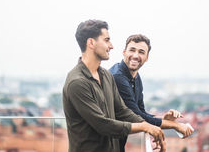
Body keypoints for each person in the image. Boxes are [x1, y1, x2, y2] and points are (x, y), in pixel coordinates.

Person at [62, 20, 166, 152]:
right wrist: (145, 127)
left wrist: (149, 126)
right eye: (106, 40)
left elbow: (122, 111)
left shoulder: (106, 75)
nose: (111, 46)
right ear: (91, 43)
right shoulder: (77, 82)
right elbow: (103, 124)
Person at [109, 34, 194, 151]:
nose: (135, 55)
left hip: (116, 144)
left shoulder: (136, 78)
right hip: (104, 144)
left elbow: (141, 113)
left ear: (147, 57)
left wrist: (165, 119)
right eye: (132, 50)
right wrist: (175, 125)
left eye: (141, 52)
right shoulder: (118, 77)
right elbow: (136, 117)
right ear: (124, 52)